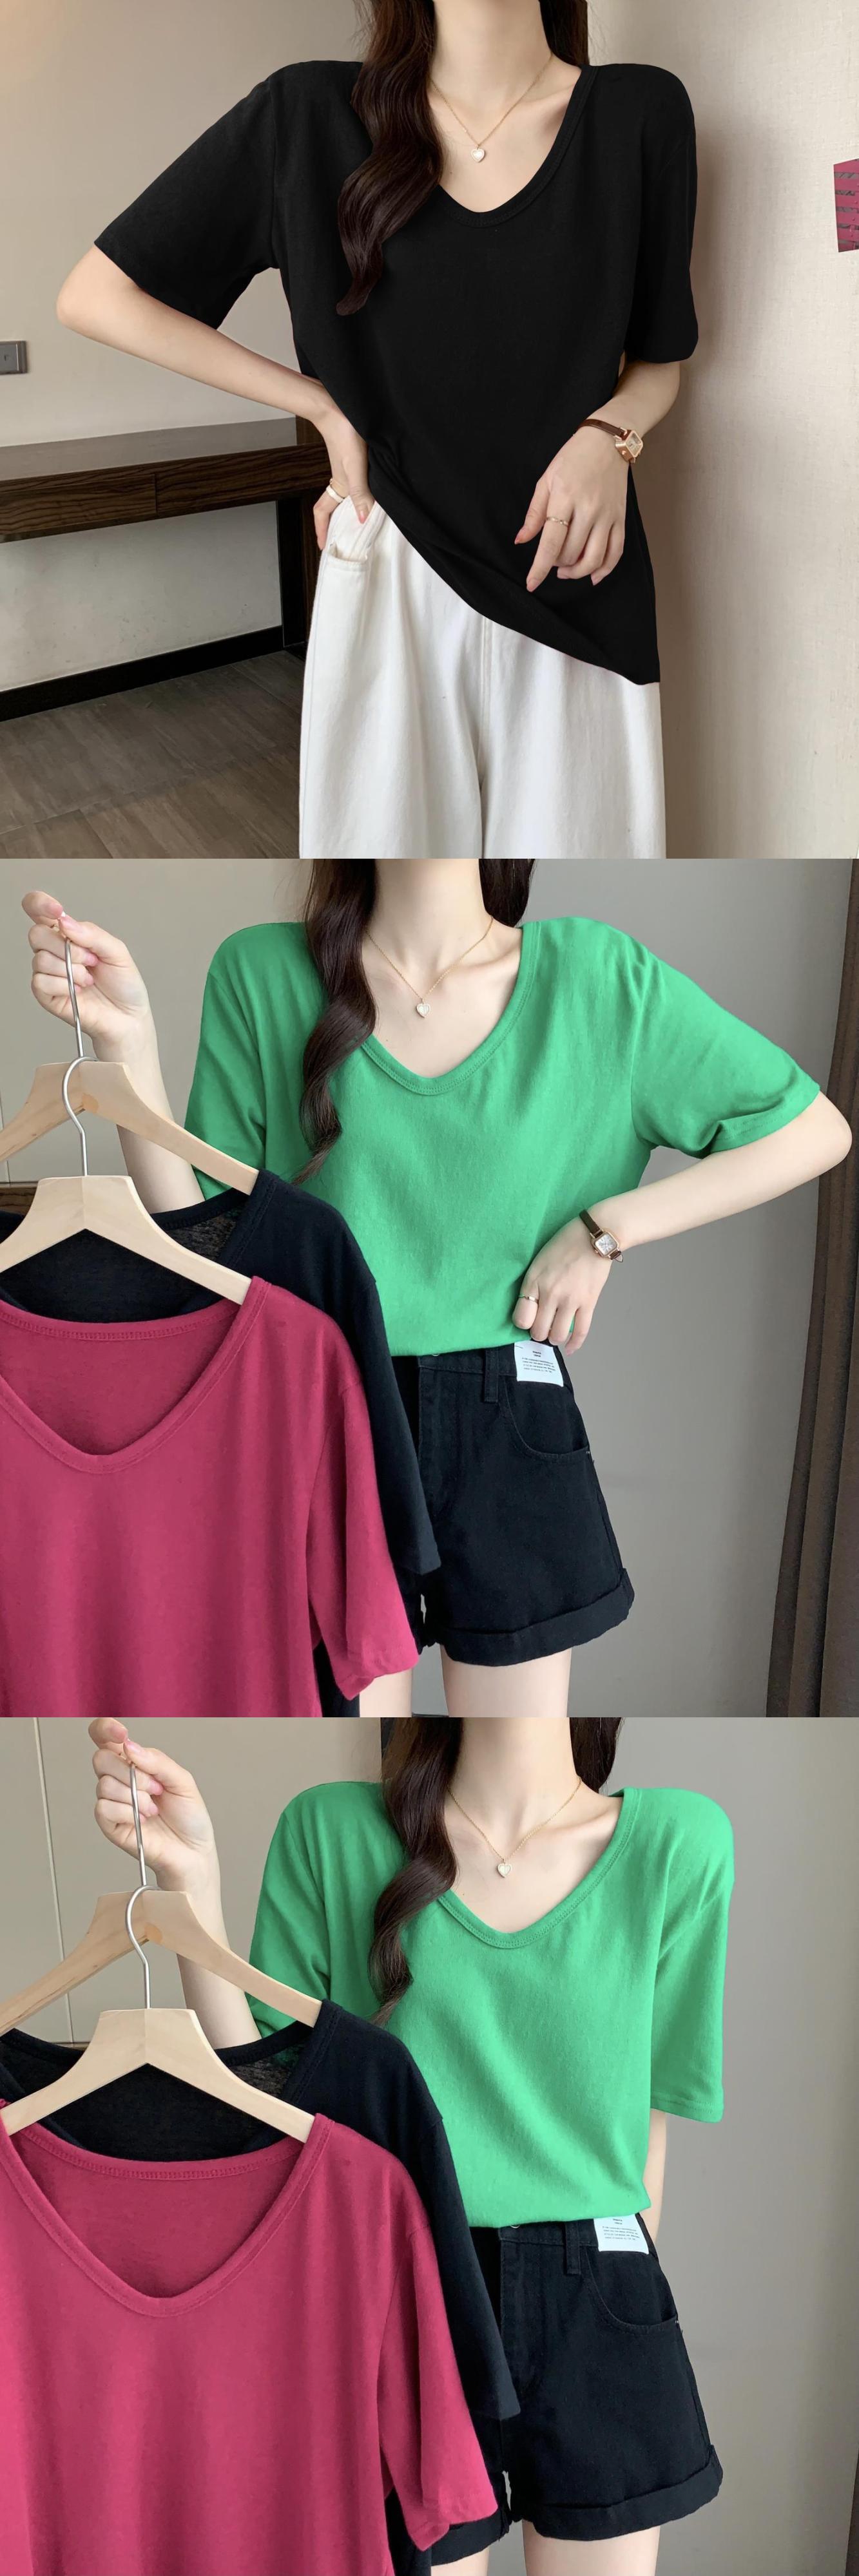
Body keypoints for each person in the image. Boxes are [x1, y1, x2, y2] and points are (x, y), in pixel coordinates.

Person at [22, 864, 851, 1718]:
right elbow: (202, 1238)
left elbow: (811, 1131)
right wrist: (130, 1050)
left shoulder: (597, 977)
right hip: (319, 1403)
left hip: (509, 1415)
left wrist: (606, 1229)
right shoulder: (263, 970)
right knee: (353, 1733)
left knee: (509, 1741)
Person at [87, 1709, 736, 2576]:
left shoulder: (678, 1842)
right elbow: (265, 2094)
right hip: (403, 2283)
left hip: (599, 2296)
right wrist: (191, 1886)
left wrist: (623, 2297)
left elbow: (650, 2120)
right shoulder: (331, 1828)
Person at [56, 1, 699, 859]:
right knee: (386, 883)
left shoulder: (639, 113)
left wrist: (608, 437)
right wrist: (323, 408)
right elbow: (97, 296)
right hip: (392, 554)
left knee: (578, 886)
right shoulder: (306, 116)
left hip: (575, 566)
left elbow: (661, 359)